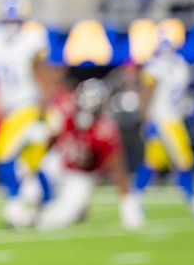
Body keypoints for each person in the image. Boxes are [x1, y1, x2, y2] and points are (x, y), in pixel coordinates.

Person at [0, 0, 55, 228]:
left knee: (2, 153)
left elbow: (42, 75)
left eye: (15, 21)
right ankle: (49, 202)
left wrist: (44, 112)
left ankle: (15, 205)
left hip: (28, 105)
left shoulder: (33, 38)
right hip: (9, 108)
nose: (10, 25)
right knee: (32, 162)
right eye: (6, 20)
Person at [123, 29, 194, 228]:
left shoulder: (164, 66)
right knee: (183, 159)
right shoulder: (168, 66)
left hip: (169, 118)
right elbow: (147, 94)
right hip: (165, 120)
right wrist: (147, 119)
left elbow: (153, 94)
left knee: (153, 162)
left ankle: (133, 199)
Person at [37, 78, 130, 230]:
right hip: (61, 162)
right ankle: (32, 205)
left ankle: (55, 209)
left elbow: (117, 167)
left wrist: (127, 204)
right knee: (32, 178)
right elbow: (49, 139)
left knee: (55, 220)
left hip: (82, 176)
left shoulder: (104, 130)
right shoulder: (66, 112)